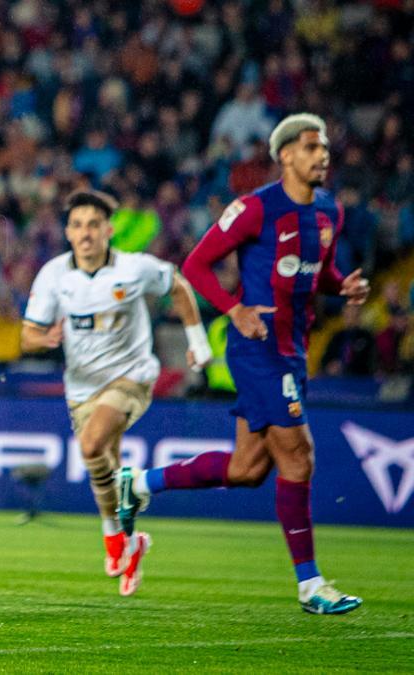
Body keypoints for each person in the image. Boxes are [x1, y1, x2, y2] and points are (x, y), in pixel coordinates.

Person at [121, 113, 369, 615]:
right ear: (285, 156)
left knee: (248, 468)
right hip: (257, 348)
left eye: (324, 148)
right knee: (299, 456)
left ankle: (141, 483)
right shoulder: (255, 209)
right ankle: (310, 585)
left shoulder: (328, 211)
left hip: (292, 348)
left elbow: (315, 272)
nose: (322, 155)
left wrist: (342, 285)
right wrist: (233, 309)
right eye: (310, 147)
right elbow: (194, 264)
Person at [22, 189, 211, 596]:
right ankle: (127, 541)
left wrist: (197, 341)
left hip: (132, 377)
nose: (85, 233)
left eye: (93, 225)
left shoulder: (135, 268)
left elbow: (178, 286)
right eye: (77, 225)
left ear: (109, 230)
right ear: (68, 233)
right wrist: (46, 337)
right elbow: (27, 334)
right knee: (102, 465)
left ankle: (115, 540)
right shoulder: (54, 274)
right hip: (82, 388)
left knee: (91, 445)